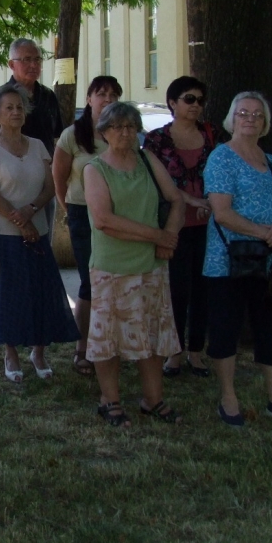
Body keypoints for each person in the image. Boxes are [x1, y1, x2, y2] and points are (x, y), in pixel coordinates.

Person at [204, 91, 272, 427]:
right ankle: (228, 397)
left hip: (270, 263)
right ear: (232, 118)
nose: (250, 119)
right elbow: (222, 213)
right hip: (228, 261)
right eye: (243, 113)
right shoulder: (222, 158)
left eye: (257, 114)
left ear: (265, 122)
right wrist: (266, 233)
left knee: (270, 328)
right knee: (226, 328)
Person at [84, 102, 186, 427]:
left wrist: (169, 237)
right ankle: (109, 400)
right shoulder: (94, 169)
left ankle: (153, 399)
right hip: (112, 267)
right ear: (104, 132)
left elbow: (176, 199)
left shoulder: (147, 159)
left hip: (151, 265)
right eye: (117, 127)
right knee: (109, 339)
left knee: (153, 335)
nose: (125, 133)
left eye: (131, 126)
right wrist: (157, 236)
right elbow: (104, 220)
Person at [0, 85, 79, 381]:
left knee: (41, 292)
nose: (16, 112)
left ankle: (39, 352)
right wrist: (21, 222)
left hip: (39, 232)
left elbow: (50, 187)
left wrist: (31, 211)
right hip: (4, 235)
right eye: (8, 108)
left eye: (19, 107)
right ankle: (10, 355)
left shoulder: (37, 146)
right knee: (8, 295)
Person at [144, 76, 220, 378]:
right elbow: (155, 182)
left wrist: (211, 202)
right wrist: (191, 200)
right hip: (173, 226)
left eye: (200, 100)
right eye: (189, 99)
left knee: (203, 289)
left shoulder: (213, 135)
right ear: (172, 103)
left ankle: (196, 352)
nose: (196, 105)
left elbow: (223, 175)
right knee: (175, 290)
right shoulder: (156, 140)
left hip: (209, 225)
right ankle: (173, 353)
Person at [52, 75, 122, 375]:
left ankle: (110, 344)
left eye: (113, 94)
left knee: (115, 280)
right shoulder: (72, 134)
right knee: (90, 282)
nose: (107, 99)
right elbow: (59, 177)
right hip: (83, 214)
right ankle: (83, 349)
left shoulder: (122, 132)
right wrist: (69, 208)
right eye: (101, 93)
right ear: (89, 99)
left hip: (120, 216)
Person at [0, 38, 63, 154]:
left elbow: (57, 138)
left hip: (45, 164)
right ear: (11, 65)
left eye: (37, 60)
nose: (33, 65)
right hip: (8, 165)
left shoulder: (48, 96)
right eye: (27, 59)